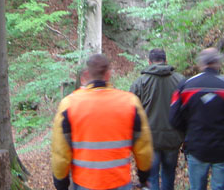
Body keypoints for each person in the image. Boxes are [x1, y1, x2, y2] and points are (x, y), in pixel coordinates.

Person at [51, 53, 153, 190]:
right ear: (108, 74)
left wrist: (60, 182)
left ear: (87, 75)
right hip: (119, 182)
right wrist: (144, 176)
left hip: (85, 183)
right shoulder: (130, 102)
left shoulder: (69, 104)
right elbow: (143, 146)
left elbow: (60, 151)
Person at [169, 47, 224, 190]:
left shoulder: (185, 86)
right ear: (219, 63)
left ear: (200, 64)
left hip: (196, 147)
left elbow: (173, 119)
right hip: (222, 148)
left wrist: (189, 132)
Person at [130, 48, 184, 190]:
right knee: (169, 174)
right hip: (173, 137)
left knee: (151, 178)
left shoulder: (140, 83)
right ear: (166, 61)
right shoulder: (180, 81)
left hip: (149, 139)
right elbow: (186, 110)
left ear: (149, 62)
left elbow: (131, 112)